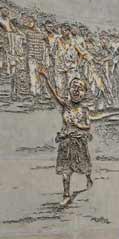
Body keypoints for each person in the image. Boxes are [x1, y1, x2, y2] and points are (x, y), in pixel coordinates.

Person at [37, 69, 93, 206]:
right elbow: (54, 95)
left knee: (84, 166)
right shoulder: (66, 105)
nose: (76, 90)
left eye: (80, 88)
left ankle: (88, 177)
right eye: (74, 87)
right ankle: (66, 194)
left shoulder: (84, 109)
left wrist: (78, 125)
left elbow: (88, 126)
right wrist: (46, 80)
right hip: (66, 142)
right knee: (66, 170)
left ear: (84, 93)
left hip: (79, 142)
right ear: (69, 89)